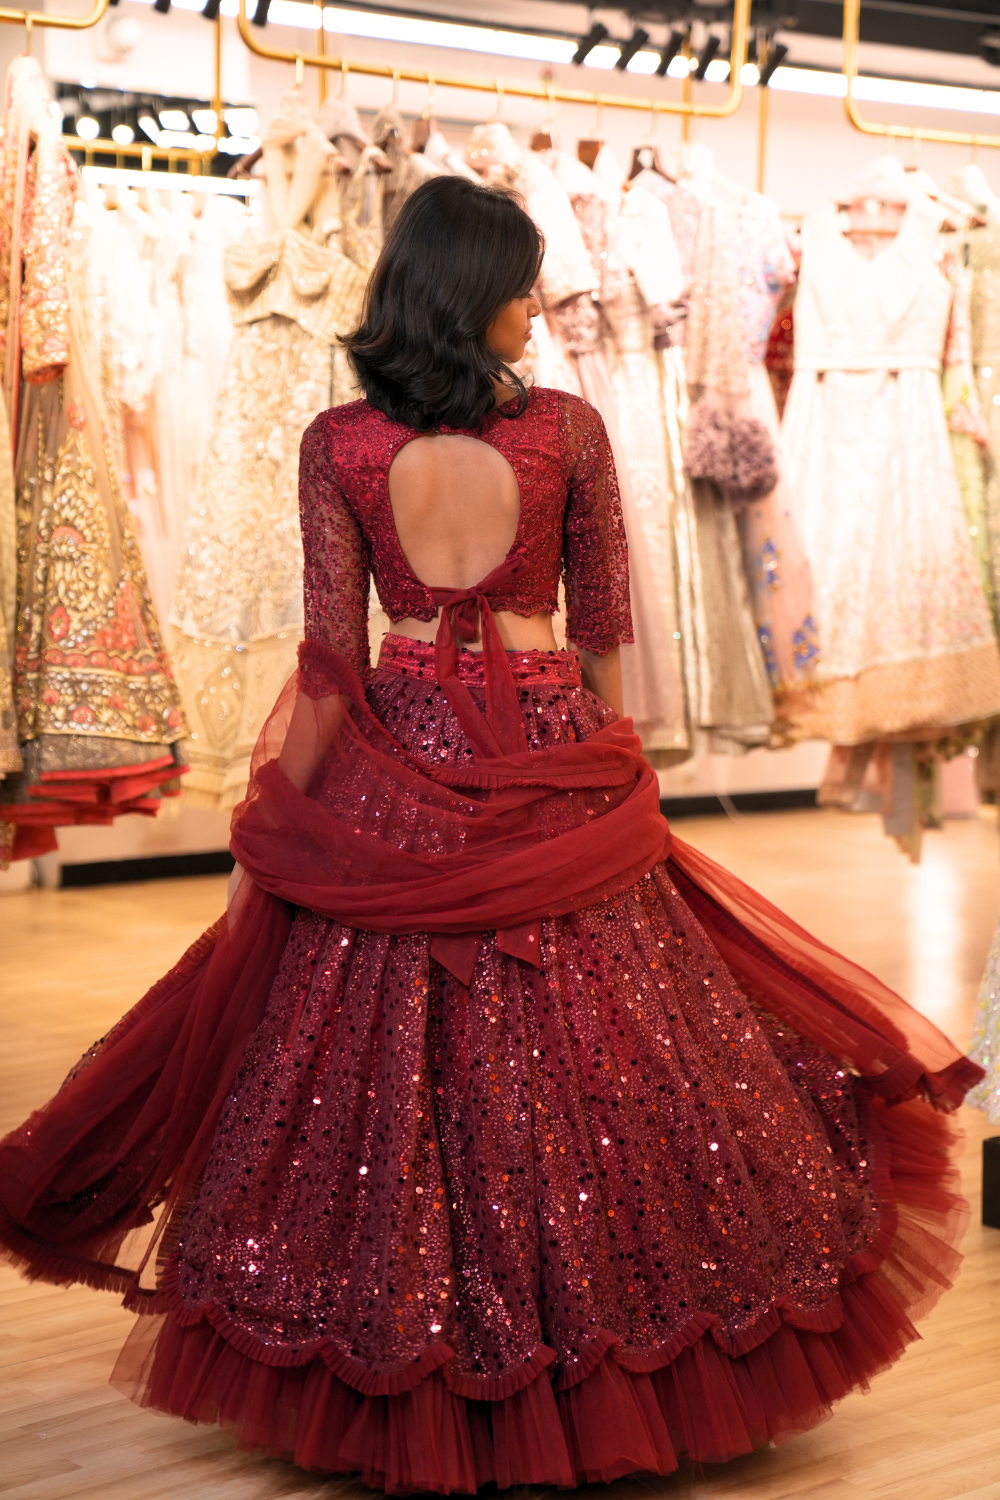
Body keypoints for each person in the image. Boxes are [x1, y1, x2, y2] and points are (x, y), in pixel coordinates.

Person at [0, 177, 983, 1493]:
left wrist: (286, 812)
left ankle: (400, 1343)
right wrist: (617, 765)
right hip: (548, 740)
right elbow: (607, 625)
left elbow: (332, 662)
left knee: (376, 1065)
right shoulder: (569, 432)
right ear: (477, 294)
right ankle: (611, 1357)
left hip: (398, 751)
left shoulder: (338, 443)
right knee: (616, 1053)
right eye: (524, 283)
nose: (538, 304)